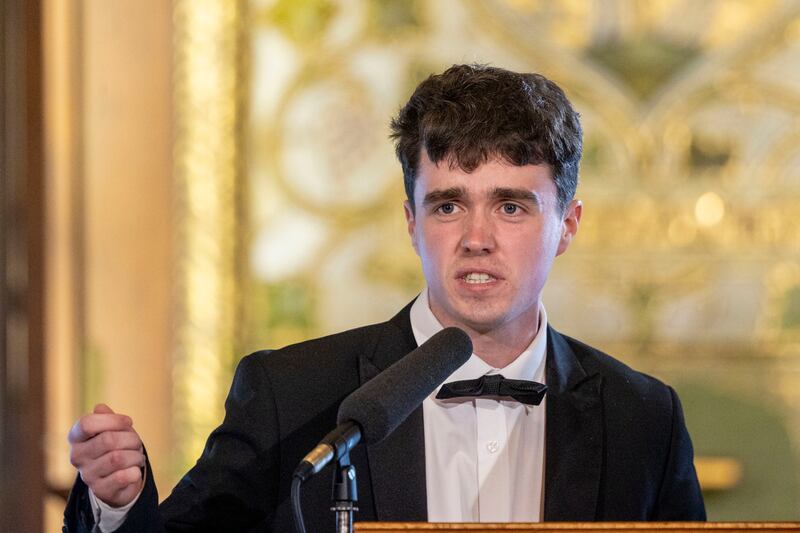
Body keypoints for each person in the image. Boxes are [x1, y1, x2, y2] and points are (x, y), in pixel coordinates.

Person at [64, 64, 706, 533]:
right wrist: (118, 503)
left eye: (511, 206)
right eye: (448, 205)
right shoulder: (294, 394)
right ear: (411, 222)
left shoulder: (643, 418)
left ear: (567, 225)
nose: (476, 239)